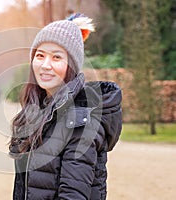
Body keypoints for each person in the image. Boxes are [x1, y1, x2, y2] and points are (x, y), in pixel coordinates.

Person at [9, 13, 122, 200]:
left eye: (56, 57)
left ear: (72, 64)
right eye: (40, 55)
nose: (45, 65)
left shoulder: (81, 121)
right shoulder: (38, 112)